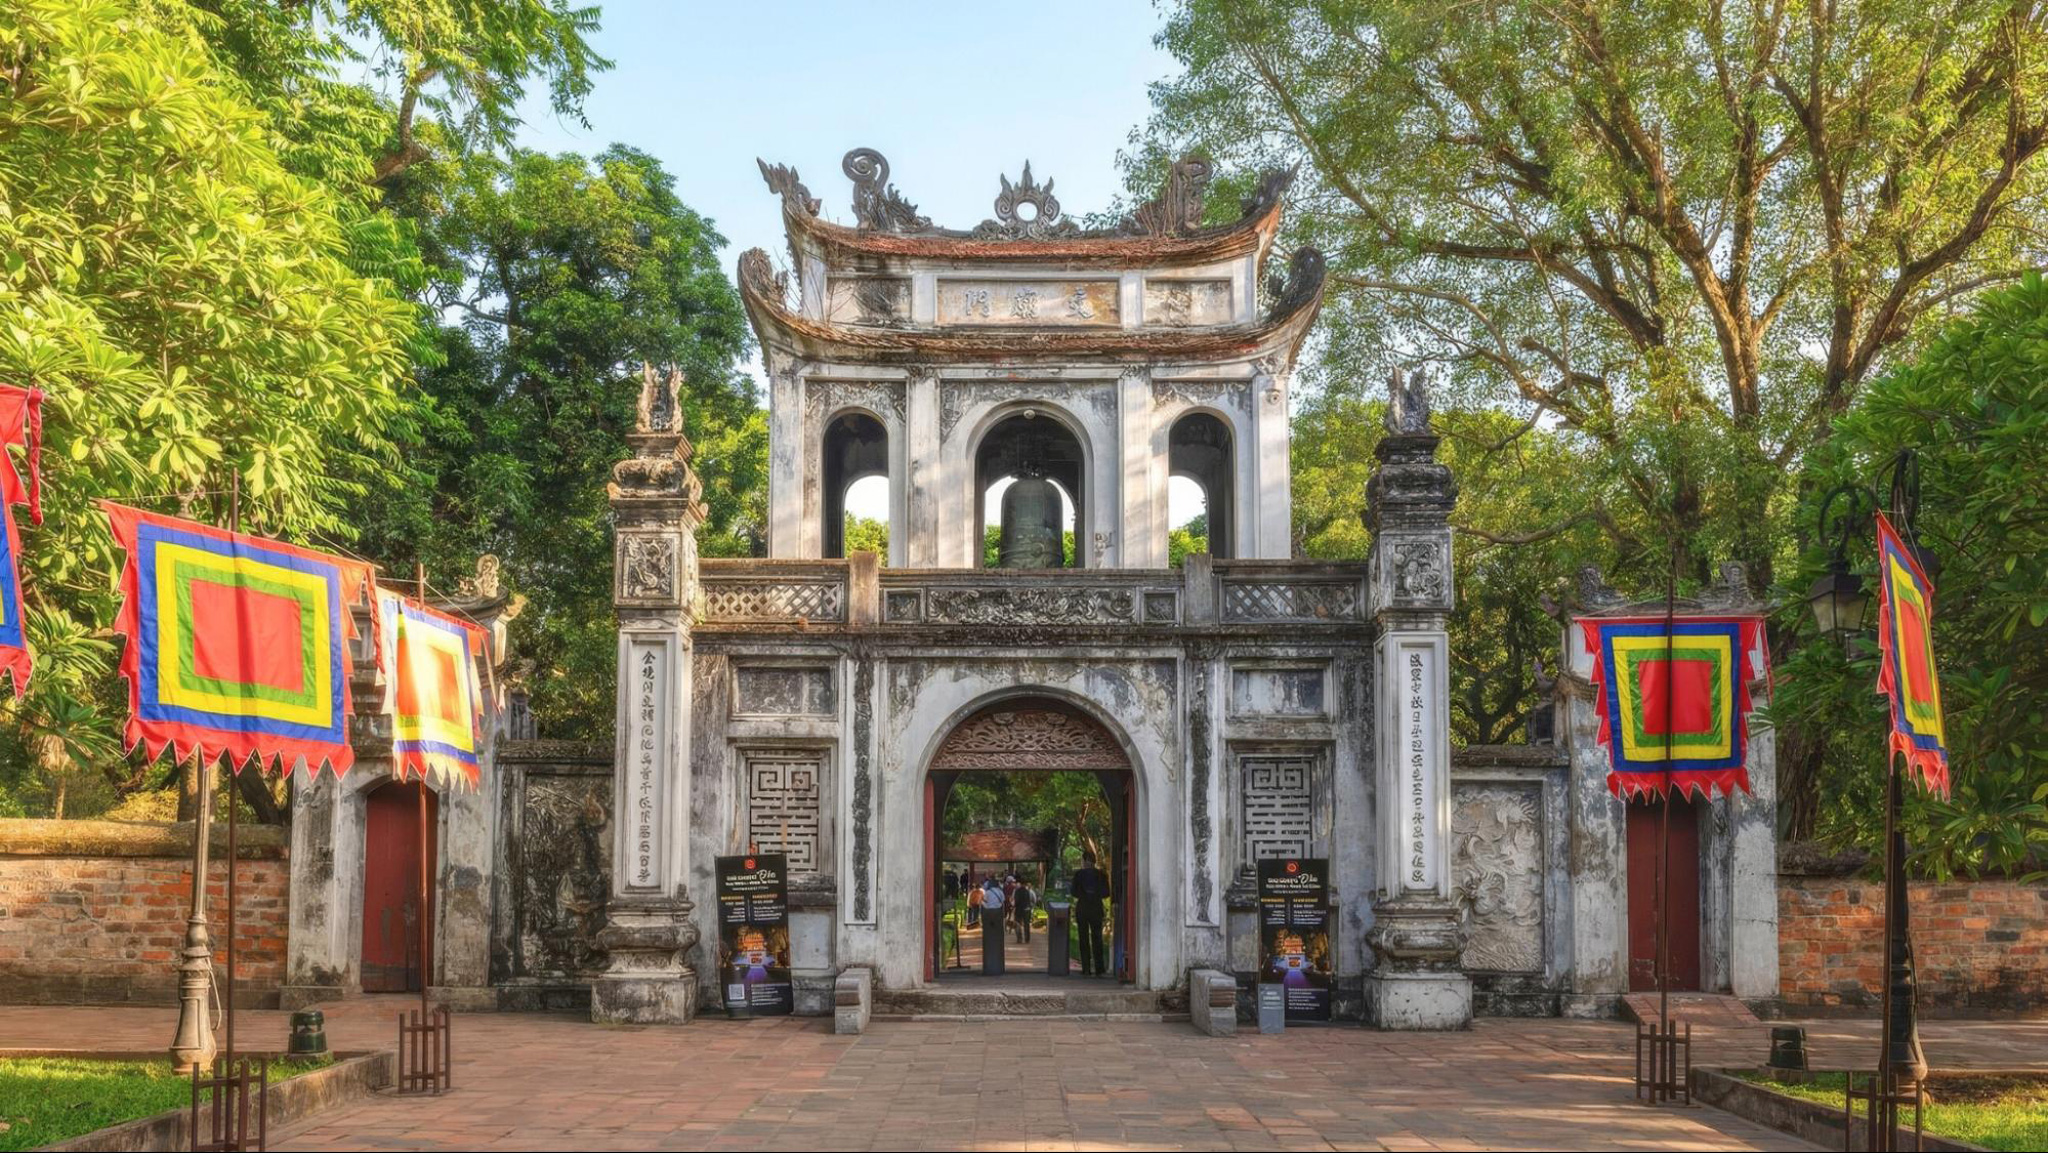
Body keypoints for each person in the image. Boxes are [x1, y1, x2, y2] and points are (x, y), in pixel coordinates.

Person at [1070, 850, 1109, 977]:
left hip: (1083, 908)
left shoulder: (1078, 875)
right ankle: (1099, 968)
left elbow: (1073, 892)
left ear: (1084, 861)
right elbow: (1106, 893)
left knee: (1083, 938)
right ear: (1094, 861)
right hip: (1096, 908)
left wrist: (1084, 894)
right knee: (1097, 938)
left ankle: (1086, 969)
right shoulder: (1101, 875)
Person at [980, 879, 1006, 973]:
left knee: (988, 935)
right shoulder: (1000, 892)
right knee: (998, 935)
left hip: (988, 913)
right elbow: (1003, 901)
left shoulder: (987, 892)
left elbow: (984, 901)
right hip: (998, 913)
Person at [1012, 878, 1036, 944]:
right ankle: (1027, 939)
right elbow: (1031, 900)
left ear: (1020, 884)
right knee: (1026, 924)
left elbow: (1016, 901)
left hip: (1019, 910)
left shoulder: (1017, 891)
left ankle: (1019, 939)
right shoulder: (1028, 891)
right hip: (1027, 909)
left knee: (1017, 924)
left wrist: (1014, 906)